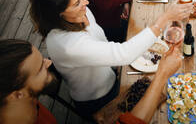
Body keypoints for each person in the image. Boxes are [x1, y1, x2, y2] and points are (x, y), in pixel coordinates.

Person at [29, 0, 193, 118]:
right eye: (77, 3)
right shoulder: (68, 45)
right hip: (99, 97)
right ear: (59, 13)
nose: (86, 3)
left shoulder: (77, 13)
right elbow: (124, 54)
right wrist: (164, 19)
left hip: (110, 72)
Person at [0, 39, 183, 124]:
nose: (49, 63)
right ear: (17, 94)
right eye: (40, 67)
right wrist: (162, 74)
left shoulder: (31, 104)